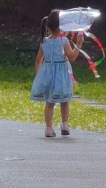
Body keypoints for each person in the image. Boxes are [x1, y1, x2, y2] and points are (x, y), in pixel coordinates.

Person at [31, 10, 81, 138]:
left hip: (47, 74)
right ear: (62, 25)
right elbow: (72, 57)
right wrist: (79, 45)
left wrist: (39, 77)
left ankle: (48, 129)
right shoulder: (64, 41)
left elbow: (37, 61)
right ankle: (64, 126)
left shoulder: (44, 41)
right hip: (61, 74)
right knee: (64, 101)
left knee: (49, 102)